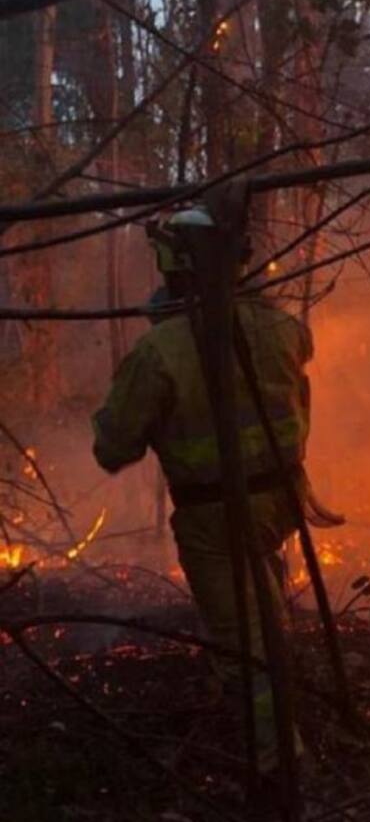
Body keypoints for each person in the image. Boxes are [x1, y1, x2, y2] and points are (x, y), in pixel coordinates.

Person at [92, 205, 312, 769]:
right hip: (282, 501)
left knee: (244, 643)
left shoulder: (160, 350)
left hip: (214, 515)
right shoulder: (283, 326)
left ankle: (277, 764)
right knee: (261, 604)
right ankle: (276, 713)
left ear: (176, 267)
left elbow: (114, 448)